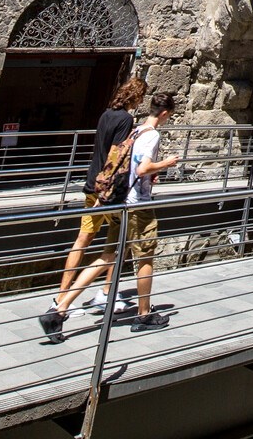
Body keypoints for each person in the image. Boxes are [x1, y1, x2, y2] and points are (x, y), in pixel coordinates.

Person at [41, 92, 179, 336]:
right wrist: (165, 164)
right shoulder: (152, 135)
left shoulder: (135, 130)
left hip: (119, 201)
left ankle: (59, 309)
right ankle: (144, 315)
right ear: (165, 113)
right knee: (145, 258)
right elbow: (142, 168)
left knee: (109, 256)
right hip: (137, 206)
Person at [51, 76, 145, 312]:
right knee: (118, 241)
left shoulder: (105, 114)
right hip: (108, 189)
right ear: (136, 97)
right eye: (141, 97)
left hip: (92, 182)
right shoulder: (126, 119)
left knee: (83, 239)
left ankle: (61, 295)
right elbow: (115, 156)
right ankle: (106, 292)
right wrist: (108, 192)